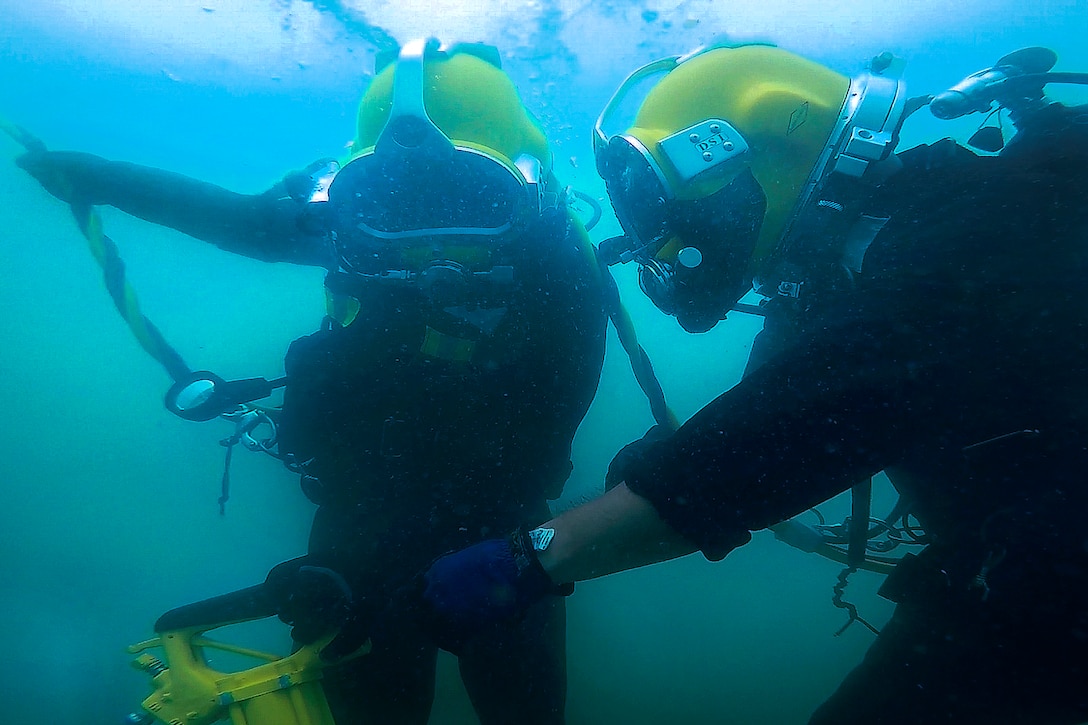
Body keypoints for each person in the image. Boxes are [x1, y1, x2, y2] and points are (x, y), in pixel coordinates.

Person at [419, 42, 1088, 724]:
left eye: (662, 209)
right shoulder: (849, 275)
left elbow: (793, 423)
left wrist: (533, 556)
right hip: (1019, 577)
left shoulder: (981, 228)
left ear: (750, 156)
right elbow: (774, 411)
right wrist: (647, 482)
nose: (664, 247)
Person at [18, 38, 607, 724]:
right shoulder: (351, 227)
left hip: (484, 516)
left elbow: (561, 404)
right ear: (355, 188)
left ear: (529, 187)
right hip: (376, 513)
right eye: (394, 202)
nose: (432, 243)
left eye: (473, 195)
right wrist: (92, 174)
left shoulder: (556, 253)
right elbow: (243, 224)